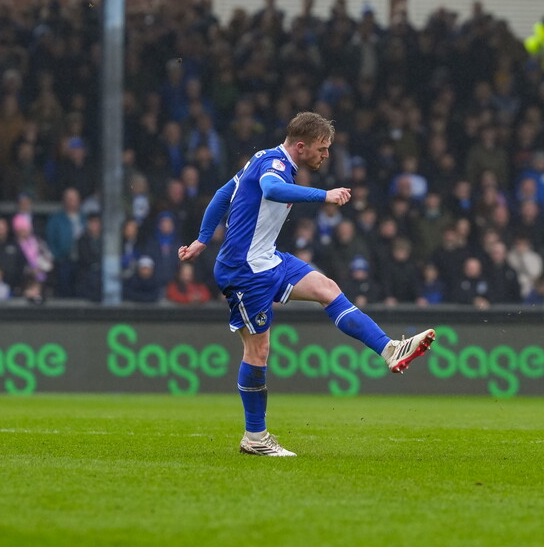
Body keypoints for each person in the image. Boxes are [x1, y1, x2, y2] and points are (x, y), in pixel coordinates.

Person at [178, 112, 435, 457]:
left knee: (327, 289)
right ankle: (255, 438)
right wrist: (324, 195)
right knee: (258, 350)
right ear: (301, 147)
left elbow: (223, 195)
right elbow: (269, 188)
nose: (325, 156)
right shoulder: (274, 166)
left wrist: (202, 239)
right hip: (244, 271)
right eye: (322, 149)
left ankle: (389, 350)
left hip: (269, 259)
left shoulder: (262, 159)